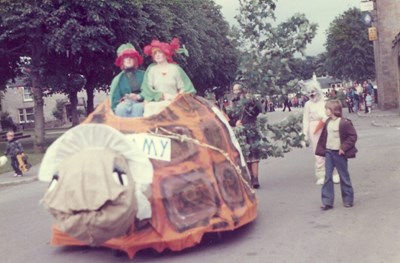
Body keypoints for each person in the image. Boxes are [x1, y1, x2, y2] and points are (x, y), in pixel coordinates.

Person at [316, 100, 357, 210]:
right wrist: (323, 150)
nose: (325, 111)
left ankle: (348, 199)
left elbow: (352, 136)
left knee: (344, 176)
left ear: (333, 110)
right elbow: (324, 137)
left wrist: (343, 148)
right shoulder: (328, 122)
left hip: (339, 153)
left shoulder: (344, 122)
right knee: (328, 177)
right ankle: (327, 202)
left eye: (327, 109)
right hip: (329, 152)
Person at [141, 38, 196, 117]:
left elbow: (185, 87)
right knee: (150, 110)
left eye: (160, 52)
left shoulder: (175, 69)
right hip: (156, 103)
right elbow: (147, 89)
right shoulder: (151, 69)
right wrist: (161, 95)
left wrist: (177, 97)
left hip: (173, 102)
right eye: (155, 53)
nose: (157, 55)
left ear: (166, 54)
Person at [300, 79, 340, 185]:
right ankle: (321, 174)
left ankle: (334, 173)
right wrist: (304, 134)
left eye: (313, 91)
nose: (312, 94)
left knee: (331, 148)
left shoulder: (324, 102)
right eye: (309, 93)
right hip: (314, 130)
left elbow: (331, 115)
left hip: (327, 127)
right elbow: (305, 120)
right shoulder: (307, 104)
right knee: (318, 152)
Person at [227, 82, 263, 188]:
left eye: (238, 89)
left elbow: (258, 111)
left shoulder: (250, 101)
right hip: (240, 131)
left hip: (251, 128)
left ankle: (256, 178)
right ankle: (251, 177)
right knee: (246, 155)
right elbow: (228, 118)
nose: (236, 92)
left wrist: (252, 102)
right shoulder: (232, 103)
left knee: (254, 153)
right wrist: (235, 123)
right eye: (234, 90)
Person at [110, 43, 145, 117]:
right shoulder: (118, 79)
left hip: (142, 102)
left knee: (138, 108)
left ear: (135, 60)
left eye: (131, 57)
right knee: (120, 109)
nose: (128, 60)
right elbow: (115, 99)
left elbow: (149, 92)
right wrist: (123, 100)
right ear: (122, 61)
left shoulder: (144, 75)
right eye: (126, 58)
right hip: (125, 103)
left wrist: (138, 96)